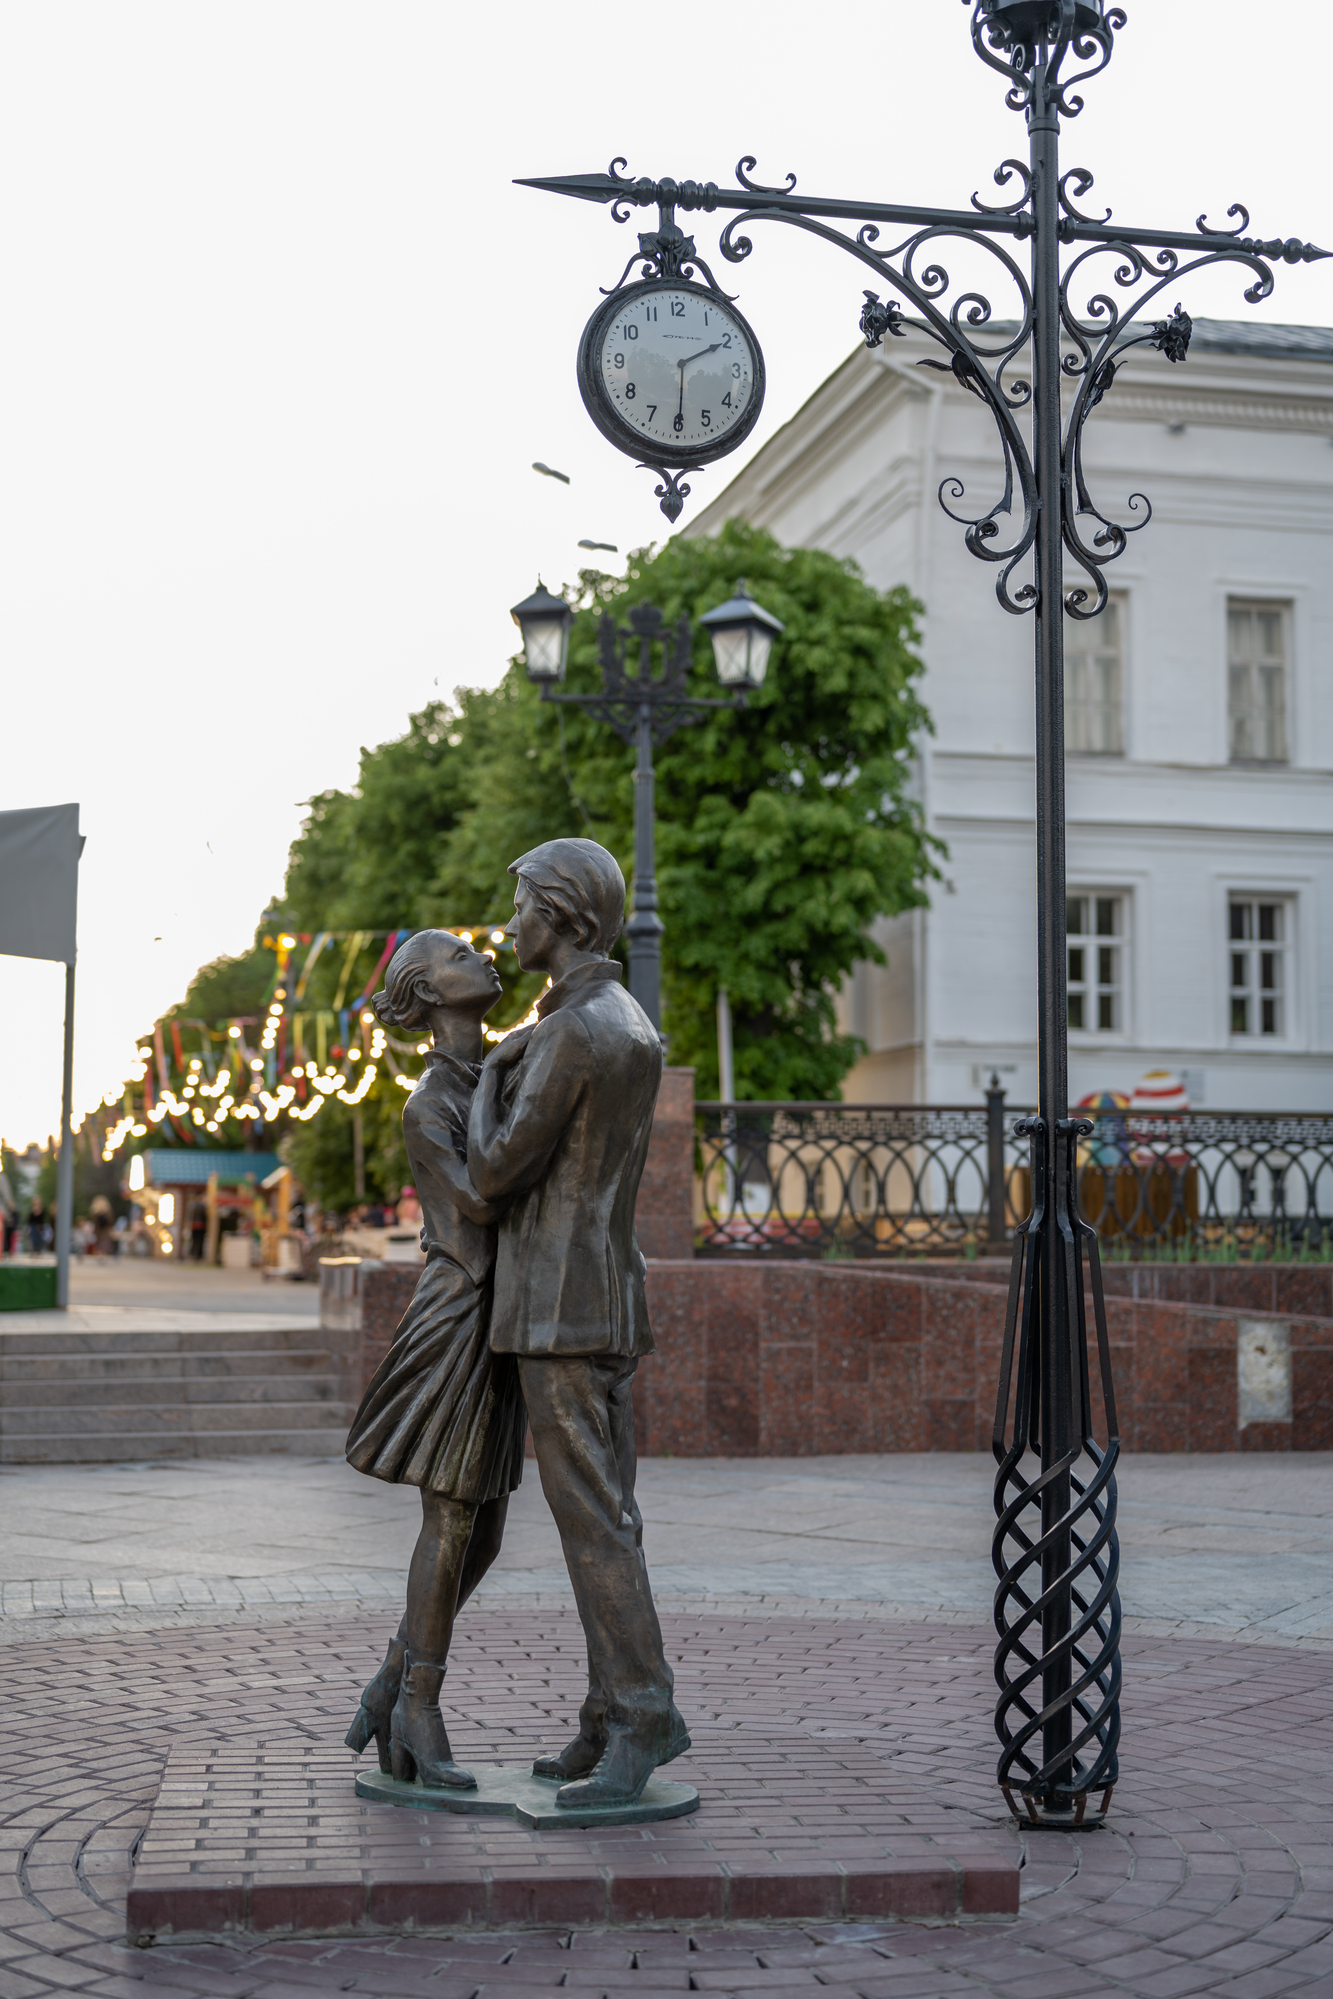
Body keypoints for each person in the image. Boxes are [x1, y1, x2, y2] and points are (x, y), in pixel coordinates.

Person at [467, 838, 689, 1810]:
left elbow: (493, 1171)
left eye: (519, 906)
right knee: (614, 1516)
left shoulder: (568, 1033)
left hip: (559, 1307)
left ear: (563, 917)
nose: (506, 923)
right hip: (608, 1299)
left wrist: (483, 1073)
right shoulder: (627, 1018)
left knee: (592, 1522)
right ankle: (607, 1713)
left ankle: (643, 1713)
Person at [343, 929, 526, 1789]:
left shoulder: (493, 1074)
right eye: (461, 954)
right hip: (457, 1313)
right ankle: (419, 1702)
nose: (485, 955)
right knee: (451, 1519)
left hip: (502, 1316)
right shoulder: (433, 1104)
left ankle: (389, 1679)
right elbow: (483, 1197)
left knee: (484, 1530)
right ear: (427, 989)